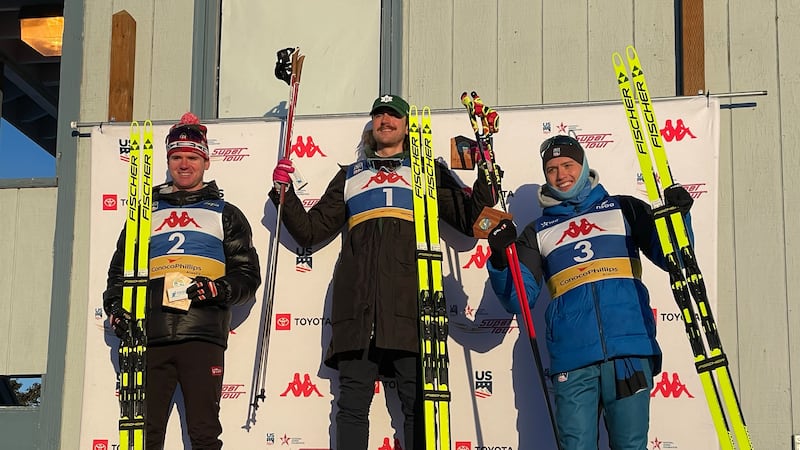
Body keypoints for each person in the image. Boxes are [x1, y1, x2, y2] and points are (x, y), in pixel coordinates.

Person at [270, 94, 496, 450]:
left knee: (417, 405)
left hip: (412, 307)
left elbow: (471, 221)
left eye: (393, 115)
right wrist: (284, 194)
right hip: (357, 311)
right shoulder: (350, 175)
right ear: (372, 124)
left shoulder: (427, 172)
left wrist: (486, 166)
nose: (385, 120)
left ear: (407, 126)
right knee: (351, 406)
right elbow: (311, 232)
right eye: (379, 115)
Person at [485, 134, 694, 450]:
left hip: (628, 351)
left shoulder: (624, 208)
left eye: (568, 164)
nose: (561, 174)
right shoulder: (537, 232)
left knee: (631, 445)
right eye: (552, 169)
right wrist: (501, 258)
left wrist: (679, 216)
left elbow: (673, 258)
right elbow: (519, 300)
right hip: (572, 358)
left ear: (583, 166)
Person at [103, 112, 262, 450]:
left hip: (200, 333)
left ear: (206, 161)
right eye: (177, 157)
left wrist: (220, 289)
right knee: (144, 435)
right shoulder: (144, 214)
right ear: (168, 161)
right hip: (149, 334)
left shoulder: (225, 212)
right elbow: (119, 272)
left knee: (204, 433)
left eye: (192, 157)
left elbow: (247, 275)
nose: (184, 164)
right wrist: (116, 309)